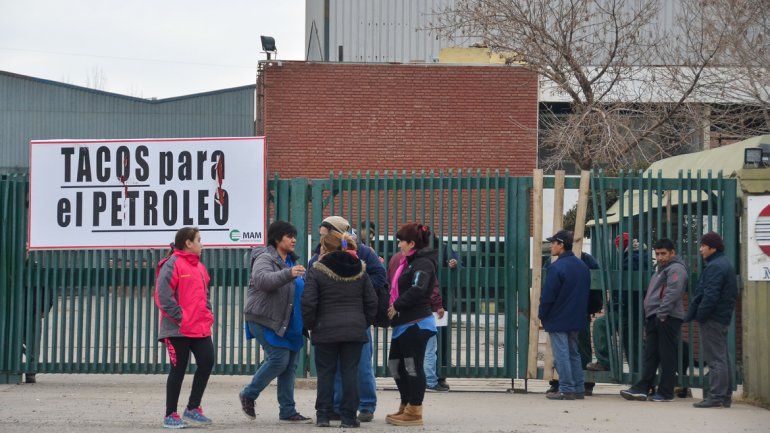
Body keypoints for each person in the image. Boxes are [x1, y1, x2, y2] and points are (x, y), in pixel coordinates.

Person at [310, 216, 386, 422]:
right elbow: (311, 289)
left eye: (325, 235)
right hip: (350, 323)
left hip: (349, 323)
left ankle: (366, 405)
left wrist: (354, 283)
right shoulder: (318, 258)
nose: (322, 240)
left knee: (359, 368)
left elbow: (380, 277)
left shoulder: (364, 254)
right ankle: (339, 409)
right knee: (337, 371)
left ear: (336, 233)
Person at [239, 221, 312, 423]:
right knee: (279, 359)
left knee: (290, 366)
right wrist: (288, 274)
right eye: (289, 236)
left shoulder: (290, 260)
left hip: (290, 323)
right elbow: (262, 280)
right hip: (265, 319)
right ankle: (249, 394)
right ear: (277, 238)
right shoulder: (265, 258)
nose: (294, 240)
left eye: (294, 236)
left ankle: (288, 410)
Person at [154, 227, 215, 429]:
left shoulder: (200, 267)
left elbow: (205, 296)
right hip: (176, 329)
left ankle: (192, 408)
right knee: (178, 369)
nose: (202, 244)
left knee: (207, 362)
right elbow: (163, 296)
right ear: (188, 243)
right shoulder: (171, 265)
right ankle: (170, 414)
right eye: (199, 240)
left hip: (199, 328)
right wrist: (181, 317)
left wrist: (207, 314)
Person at [620, 238, 688, 402]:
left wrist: (661, 314)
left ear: (672, 253)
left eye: (663, 254)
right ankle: (643, 387)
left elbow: (673, 292)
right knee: (651, 355)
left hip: (666, 317)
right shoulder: (662, 269)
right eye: (657, 254)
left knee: (666, 355)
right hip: (657, 316)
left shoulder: (676, 269)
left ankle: (666, 392)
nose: (659, 257)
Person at [385, 223, 438, 426]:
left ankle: (415, 411)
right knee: (395, 365)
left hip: (417, 323)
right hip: (403, 324)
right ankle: (406, 404)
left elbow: (418, 288)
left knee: (412, 367)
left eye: (401, 241)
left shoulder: (423, 263)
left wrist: (397, 305)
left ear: (412, 243)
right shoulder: (408, 262)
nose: (399, 245)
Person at [686, 232, 737, 408]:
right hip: (721, 317)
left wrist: (700, 315)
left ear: (712, 247)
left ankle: (716, 396)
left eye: (703, 245)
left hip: (713, 318)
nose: (700, 249)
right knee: (722, 357)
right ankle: (725, 396)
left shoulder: (715, 267)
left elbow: (710, 296)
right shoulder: (724, 263)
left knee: (715, 358)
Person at [539, 230, 590, 400]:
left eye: (553, 243)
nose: (551, 246)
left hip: (558, 316)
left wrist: (542, 314)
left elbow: (548, 295)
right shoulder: (582, 266)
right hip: (576, 316)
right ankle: (578, 388)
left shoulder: (556, 267)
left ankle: (566, 388)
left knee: (561, 354)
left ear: (561, 245)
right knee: (573, 353)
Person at [588, 232, 650, 374]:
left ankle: (606, 363)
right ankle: (639, 376)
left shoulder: (631, 260)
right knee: (632, 344)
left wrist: (612, 306)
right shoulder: (641, 256)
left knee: (600, 324)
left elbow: (624, 289)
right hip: (636, 309)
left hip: (626, 309)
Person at [388, 251, 447, 393]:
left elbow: (391, 282)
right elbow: (427, 288)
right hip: (416, 315)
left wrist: (394, 305)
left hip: (402, 316)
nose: (399, 243)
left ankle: (410, 403)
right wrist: (437, 304)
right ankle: (430, 382)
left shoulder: (398, 259)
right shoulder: (422, 262)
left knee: (400, 362)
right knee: (425, 353)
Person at [545, 249, 601, 396]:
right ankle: (579, 385)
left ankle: (566, 386)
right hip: (580, 312)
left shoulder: (556, 263)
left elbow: (548, 289)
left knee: (563, 351)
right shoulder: (586, 262)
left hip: (564, 313)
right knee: (576, 350)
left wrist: (544, 313)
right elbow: (595, 290)